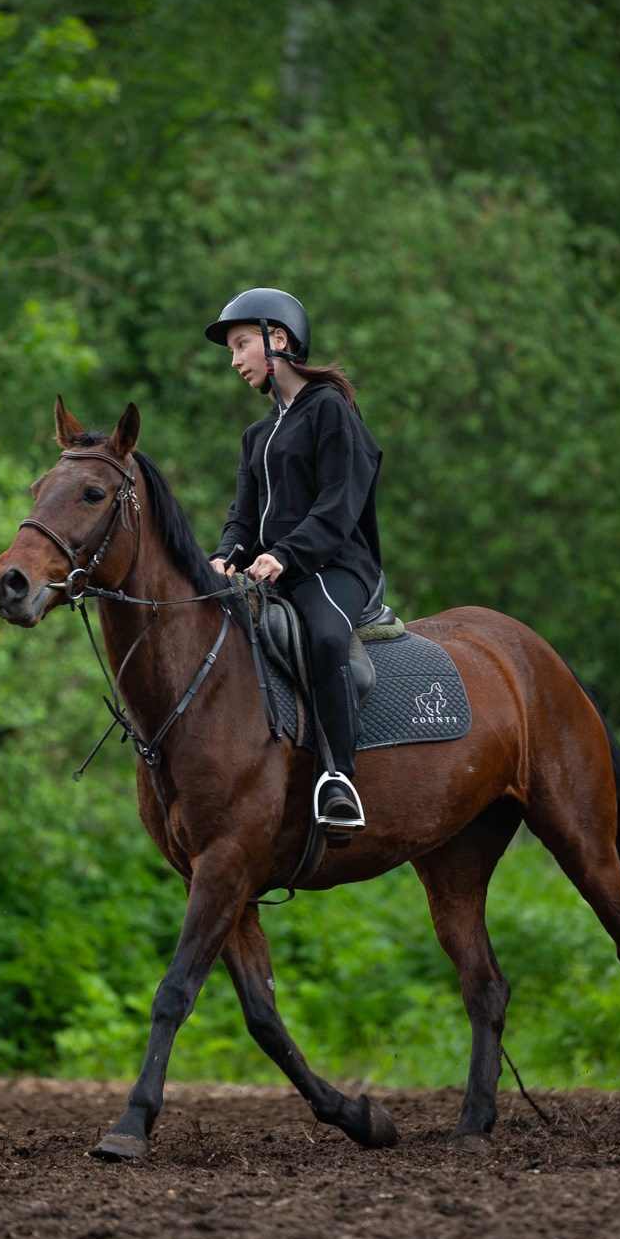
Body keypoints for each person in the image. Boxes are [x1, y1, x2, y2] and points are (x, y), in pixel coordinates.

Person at [206, 287, 383, 832]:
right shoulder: (255, 436)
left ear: (276, 339)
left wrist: (286, 554)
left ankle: (340, 779)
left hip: (335, 568)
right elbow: (243, 518)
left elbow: (338, 503)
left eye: (240, 345)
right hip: (273, 569)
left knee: (326, 637)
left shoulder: (329, 409)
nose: (234, 361)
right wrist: (223, 557)